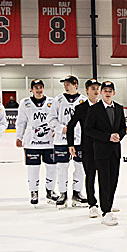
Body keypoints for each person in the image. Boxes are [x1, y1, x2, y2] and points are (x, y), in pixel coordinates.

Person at [83, 81, 127, 226]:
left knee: (113, 180)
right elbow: (88, 129)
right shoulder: (95, 109)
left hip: (115, 151)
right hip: (101, 151)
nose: (108, 92)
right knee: (104, 180)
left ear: (113, 92)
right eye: (105, 90)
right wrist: (107, 136)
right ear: (102, 93)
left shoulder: (119, 108)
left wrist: (119, 135)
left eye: (110, 90)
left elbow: (123, 127)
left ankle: (109, 203)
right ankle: (106, 211)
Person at [47, 75, 88, 208]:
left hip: (79, 140)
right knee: (62, 167)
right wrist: (60, 128)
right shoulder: (58, 100)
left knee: (80, 167)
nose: (66, 86)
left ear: (76, 85)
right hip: (61, 140)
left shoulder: (84, 101)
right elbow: (51, 119)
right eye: (64, 84)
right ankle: (63, 193)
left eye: (68, 84)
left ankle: (77, 193)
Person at [15, 79, 56, 207]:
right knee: (33, 169)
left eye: (41, 87)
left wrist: (56, 130)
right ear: (31, 89)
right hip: (31, 142)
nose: (38, 90)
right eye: (36, 87)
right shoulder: (25, 103)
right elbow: (21, 121)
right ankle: (34, 192)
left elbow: (56, 118)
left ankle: (50, 191)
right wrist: (19, 136)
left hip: (49, 142)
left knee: (51, 168)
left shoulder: (51, 102)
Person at [67, 79, 102, 216]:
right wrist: (71, 144)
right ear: (86, 90)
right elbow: (71, 126)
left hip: (103, 147)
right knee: (90, 176)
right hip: (87, 147)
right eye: (92, 88)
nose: (96, 90)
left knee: (105, 177)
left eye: (97, 88)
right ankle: (92, 204)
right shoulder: (81, 108)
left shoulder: (104, 106)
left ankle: (107, 202)